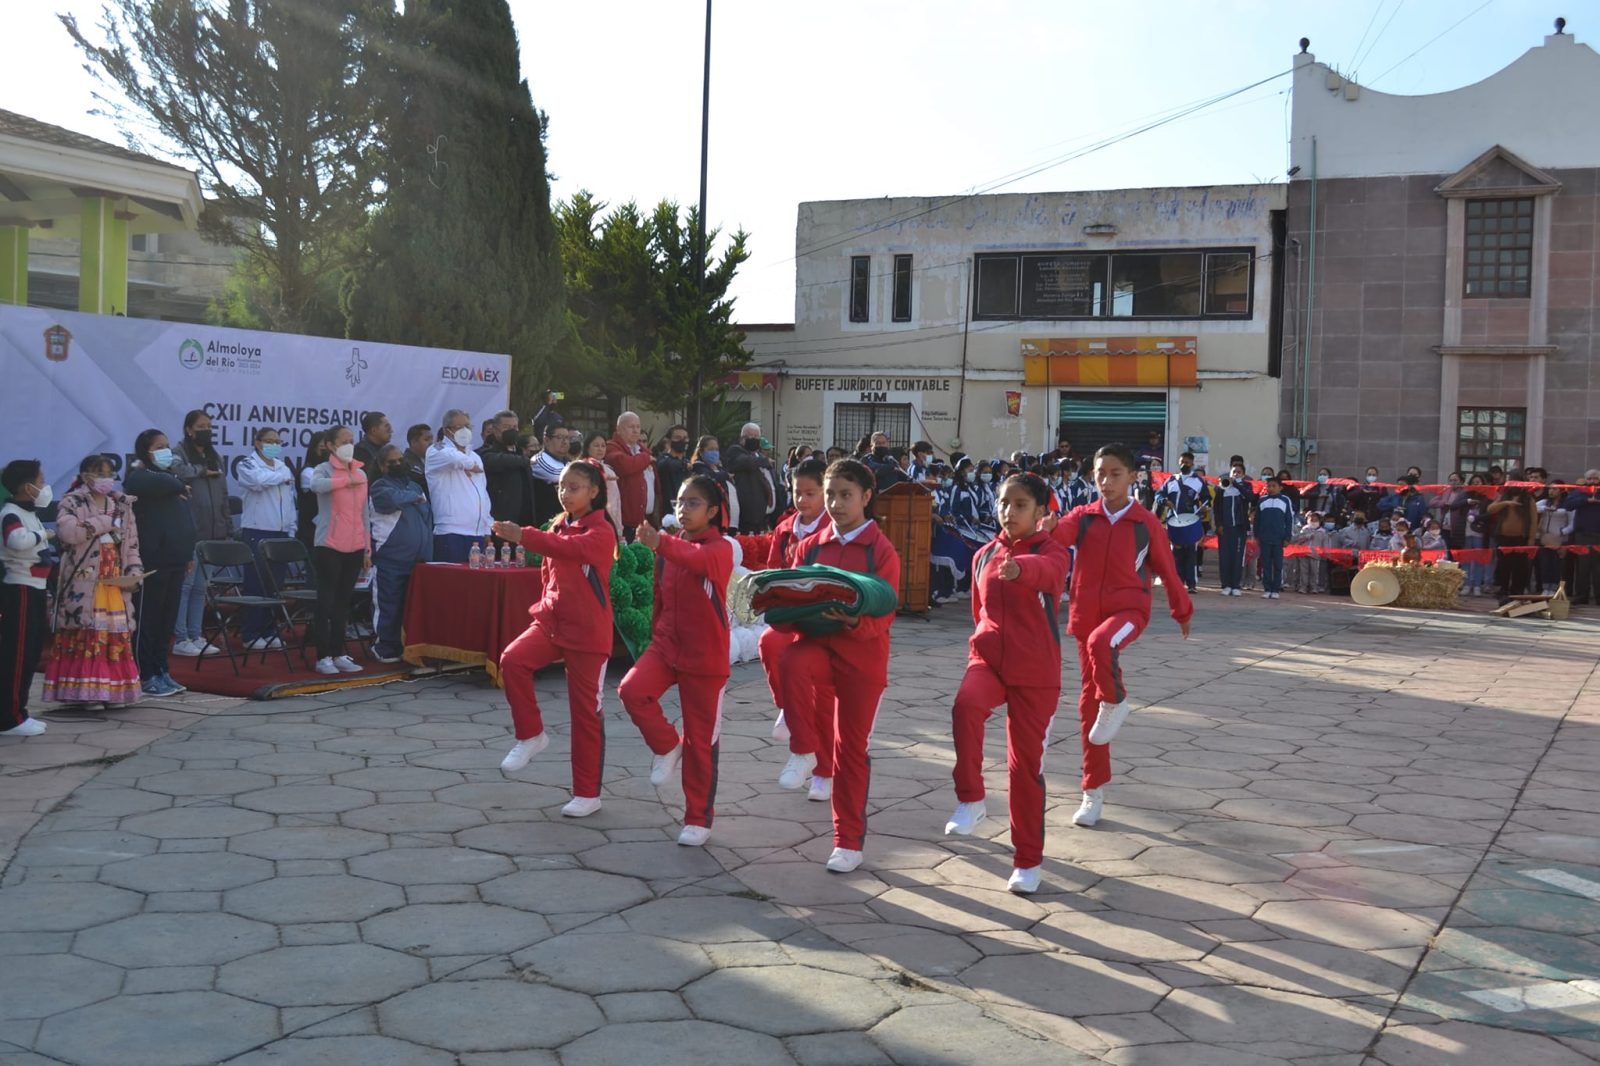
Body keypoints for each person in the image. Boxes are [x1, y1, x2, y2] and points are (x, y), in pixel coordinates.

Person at [1046, 443, 1192, 830]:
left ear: (1132, 477)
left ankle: (1118, 699)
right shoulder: (1084, 516)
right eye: (1099, 474)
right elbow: (1059, 535)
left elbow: (1167, 568)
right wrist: (1046, 527)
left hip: (1129, 611)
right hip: (1084, 617)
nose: (1106, 481)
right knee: (1087, 712)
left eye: (1114, 474)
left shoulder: (1145, 523)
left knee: (1103, 645)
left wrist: (1182, 609)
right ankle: (1092, 792)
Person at [946, 472, 1070, 894]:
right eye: (1003, 503)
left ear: (1040, 513)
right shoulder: (984, 555)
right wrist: (978, 650)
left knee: (1023, 770)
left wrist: (1023, 570)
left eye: (1019, 505)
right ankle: (971, 799)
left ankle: (1027, 861)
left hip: (1035, 674)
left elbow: (1049, 574)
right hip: (989, 661)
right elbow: (979, 612)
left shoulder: (1053, 553)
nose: (1008, 511)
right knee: (965, 707)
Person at [776, 459, 901, 873]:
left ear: (867, 497)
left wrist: (855, 621)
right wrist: (777, 605)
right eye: (830, 494)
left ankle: (847, 841)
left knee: (851, 751)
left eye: (845, 495)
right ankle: (804, 749)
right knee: (789, 658)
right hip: (818, 647)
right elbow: (791, 592)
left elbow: (884, 611)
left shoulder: (880, 550)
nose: (835, 503)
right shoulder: (812, 545)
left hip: (861, 662)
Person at [492, 462, 618, 818]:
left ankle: (587, 793)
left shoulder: (601, 530)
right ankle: (531, 734)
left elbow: (569, 551)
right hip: (551, 622)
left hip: (587, 632)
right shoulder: (559, 524)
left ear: (594, 491)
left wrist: (523, 535)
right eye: (562, 486)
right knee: (512, 660)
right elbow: (551, 573)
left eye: (574, 487)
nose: (565, 493)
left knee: (585, 714)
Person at [621, 476, 735, 845]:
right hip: (667, 646)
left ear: (713, 511)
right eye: (680, 502)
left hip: (704, 656)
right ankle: (668, 745)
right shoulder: (672, 548)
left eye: (693, 503)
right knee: (632, 690)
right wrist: (655, 637)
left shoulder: (720, 548)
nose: (683, 510)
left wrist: (662, 543)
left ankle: (698, 818)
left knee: (701, 742)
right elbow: (660, 597)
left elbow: (698, 561)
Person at [758, 458, 835, 797]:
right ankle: (787, 708)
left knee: (823, 701)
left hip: (824, 622)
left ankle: (824, 773)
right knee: (769, 644)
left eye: (810, 493)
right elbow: (773, 570)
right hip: (791, 616)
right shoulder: (786, 527)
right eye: (796, 492)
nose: (802, 500)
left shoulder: (834, 528)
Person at [44, 455, 145, 708]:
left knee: (114, 635)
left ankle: (112, 692)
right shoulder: (72, 501)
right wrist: (104, 522)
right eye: (99, 474)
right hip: (84, 583)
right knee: (87, 633)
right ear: (86, 475)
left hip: (114, 582)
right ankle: (86, 692)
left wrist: (134, 573)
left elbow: (131, 544)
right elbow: (68, 533)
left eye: (109, 474)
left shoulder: (122, 505)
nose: (106, 479)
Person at [126, 431, 195, 696]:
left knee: (166, 622)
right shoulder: (141, 477)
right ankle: (145, 674)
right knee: (149, 621)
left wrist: (187, 553)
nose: (167, 451)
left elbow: (184, 521)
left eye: (168, 446)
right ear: (145, 451)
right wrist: (177, 485)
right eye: (159, 447)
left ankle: (161, 669)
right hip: (152, 561)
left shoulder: (169, 481)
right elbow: (146, 483)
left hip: (176, 559)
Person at [309, 426, 371, 674]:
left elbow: (364, 513)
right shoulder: (323, 469)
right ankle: (322, 656)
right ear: (331, 445)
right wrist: (346, 479)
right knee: (326, 601)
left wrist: (367, 548)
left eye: (351, 441)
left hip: (355, 544)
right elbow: (317, 486)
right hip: (329, 544)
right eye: (343, 441)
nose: (349, 445)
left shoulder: (361, 472)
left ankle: (339, 652)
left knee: (343, 602)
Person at [170, 409, 231, 658]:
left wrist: (227, 526)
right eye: (201, 426)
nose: (206, 430)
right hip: (190, 529)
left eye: (209, 426)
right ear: (189, 429)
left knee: (201, 588)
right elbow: (177, 471)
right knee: (186, 586)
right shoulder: (178, 452)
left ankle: (196, 634)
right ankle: (181, 637)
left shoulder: (214, 455)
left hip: (212, 530)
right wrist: (201, 471)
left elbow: (223, 493)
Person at [1, 460, 54, 736]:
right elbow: (16, 542)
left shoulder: (28, 512)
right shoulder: (10, 514)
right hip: (19, 588)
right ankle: (9, 719)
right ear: (27, 487)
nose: (44, 487)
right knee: (17, 654)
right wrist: (44, 533)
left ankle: (20, 711)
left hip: (36, 588)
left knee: (31, 651)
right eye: (40, 481)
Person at [369, 445, 433, 663]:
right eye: (392, 462)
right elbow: (391, 500)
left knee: (410, 607)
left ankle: (407, 645)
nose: (398, 464)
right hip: (390, 559)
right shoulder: (379, 486)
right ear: (381, 466)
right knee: (389, 605)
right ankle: (384, 646)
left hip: (417, 560)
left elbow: (427, 520)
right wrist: (413, 497)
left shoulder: (415, 485)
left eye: (400, 460)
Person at [236, 427, 296, 651]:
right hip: (257, 530)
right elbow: (257, 481)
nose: (274, 444)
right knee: (256, 582)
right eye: (269, 441)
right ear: (258, 442)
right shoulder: (247, 463)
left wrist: (291, 527)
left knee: (274, 585)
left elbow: (289, 500)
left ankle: (269, 630)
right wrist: (282, 477)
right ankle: (251, 633)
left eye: (277, 441)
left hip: (280, 532)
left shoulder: (282, 466)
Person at [425, 408, 492, 563]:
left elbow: (483, 493)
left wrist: (487, 526)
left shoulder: (475, 456)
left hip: (477, 533)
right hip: (450, 532)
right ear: (447, 431)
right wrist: (468, 465)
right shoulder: (436, 450)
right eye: (459, 427)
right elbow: (454, 459)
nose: (465, 431)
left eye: (467, 427)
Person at [477, 409, 535, 534]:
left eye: (514, 427)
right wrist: (525, 460)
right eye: (506, 427)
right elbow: (499, 460)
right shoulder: (486, 452)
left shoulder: (521, 453)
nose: (511, 430)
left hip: (524, 523)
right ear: (495, 430)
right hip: (498, 524)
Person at [1156, 451, 1207, 593]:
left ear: (1192, 463)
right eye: (1182, 461)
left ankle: (1191, 584)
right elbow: (1159, 494)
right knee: (1176, 554)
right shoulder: (1171, 480)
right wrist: (1165, 501)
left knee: (1191, 552)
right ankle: (1177, 584)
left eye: (1187, 462)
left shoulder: (1198, 481)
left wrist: (1204, 508)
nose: (1184, 464)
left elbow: (1207, 498)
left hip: (1191, 521)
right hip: (1174, 521)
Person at [605, 412, 657, 540]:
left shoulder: (641, 450)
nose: (635, 430)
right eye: (631, 427)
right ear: (619, 429)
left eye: (638, 427)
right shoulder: (611, 447)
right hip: (622, 522)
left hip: (643, 520)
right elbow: (625, 465)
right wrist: (646, 458)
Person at [1487, 486, 1537, 603]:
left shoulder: (1528, 499)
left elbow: (1534, 520)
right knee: (1503, 566)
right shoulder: (1503, 497)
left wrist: (1531, 539)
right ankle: (1503, 591)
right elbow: (1490, 509)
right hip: (1503, 538)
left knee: (1520, 567)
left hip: (1521, 539)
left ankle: (1517, 592)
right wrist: (1506, 503)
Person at [725, 422, 776, 535]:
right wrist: (765, 461)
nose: (754, 439)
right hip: (747, 517)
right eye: (750, 436)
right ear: (742, 438)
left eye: (756, 437)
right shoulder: (736, 451)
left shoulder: (761, 458)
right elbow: (746, 462)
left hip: (765, 517)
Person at [1213, 462, 1255, 596]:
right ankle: (1225, 585)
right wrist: (1219, 524)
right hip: (1225, 528)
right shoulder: (1222, 488)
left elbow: (1250, 497)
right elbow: (1216, 508)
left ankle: (1236, 585)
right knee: (1225, 557)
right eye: (1233, 472)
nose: (1235, 474)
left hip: (1239, 527)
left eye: (1238, 472)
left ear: (1243, 474)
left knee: (1238, 557)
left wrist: (1236, 483)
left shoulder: (1246, 486)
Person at [1254, 477, 1295, 599]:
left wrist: (1287, 537)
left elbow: (1289, 520)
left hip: (1279, 538)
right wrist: (1257, 535)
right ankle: (1267, 589)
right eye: (1269, 486)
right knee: (1265, 564)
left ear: (1280, 487)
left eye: (1274, 486)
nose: (1271, 488)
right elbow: (1257, 520)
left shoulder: (1285, 500)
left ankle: (1276, 589)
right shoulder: (1261, 500)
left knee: (1278, 564)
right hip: (1264, 538)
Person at [1563, 470, 1600, 605]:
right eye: (1589, 478)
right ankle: (1581, 595)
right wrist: (1586, 500)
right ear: (1585, 480)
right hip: (1583, 535)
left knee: (1598, 568)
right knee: (1582, 567)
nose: (1592, 481)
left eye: (1595, 478)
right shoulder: (1580, 491)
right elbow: (1567, 505)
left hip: (1598, 535)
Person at [690, 436, 738, 530]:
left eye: (716, 449)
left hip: (730, 519)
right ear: (701, 452)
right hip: (715, 518)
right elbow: (710, 477)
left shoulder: (720, 469)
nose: (715, 452)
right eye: (711, 449)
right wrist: (726, 475)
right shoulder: (699, 468)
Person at [530, 423, 571, 526]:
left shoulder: (567, 461)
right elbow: (557, 476)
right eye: (559, 437)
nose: (565, 442)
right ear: (546, 440)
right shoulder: (539, 460)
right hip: (545, 521)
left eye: (567, 438)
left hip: (564, 518)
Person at [297, 430, 331, 551]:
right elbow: (328, 487)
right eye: (322, 449)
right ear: (313, 449)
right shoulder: (308, 472)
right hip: (312, 531)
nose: (326, 453)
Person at [584, 432, 625, 532]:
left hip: (612, 514)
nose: (600, 449)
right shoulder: (584, 466)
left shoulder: (608, 468)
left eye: (603, 446)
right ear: (587, 448)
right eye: (596, 445)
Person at [656, 424, 692, 513]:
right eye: (678, 438)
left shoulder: (687, 463)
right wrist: (684, 465)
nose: (682, 441)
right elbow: (667, 465)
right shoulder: (664, 459)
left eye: (685, 438)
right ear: (668, 441)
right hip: (668, 512)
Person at [403, 424, 433, 491]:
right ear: (414, 442)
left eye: (432, 439)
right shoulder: (406, 463)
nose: (431, 443)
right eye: (426, 439)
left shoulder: (427, 459)